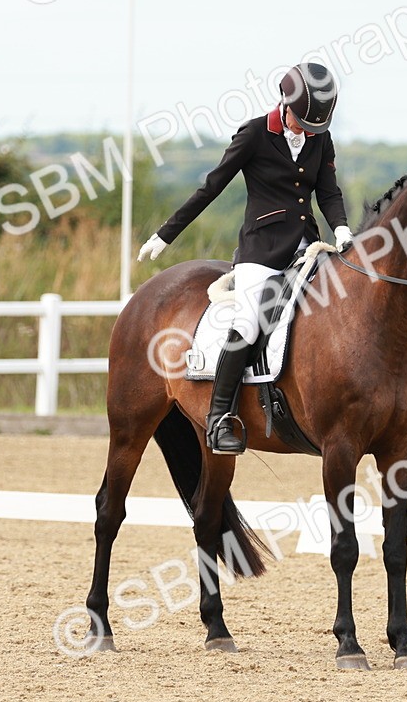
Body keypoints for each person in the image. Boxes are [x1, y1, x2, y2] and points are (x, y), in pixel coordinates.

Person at [137, 62, 355, 454]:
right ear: (286, 103)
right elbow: (212, 186)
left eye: (315, 128)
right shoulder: (255, 133)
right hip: (261, 250)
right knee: (250, 320)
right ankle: (220, 416)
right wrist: (165, 234)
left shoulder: (320, 139)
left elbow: (329, 192)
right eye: (303, 123)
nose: (307, 132)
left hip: (307, 246)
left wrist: (340, 227)